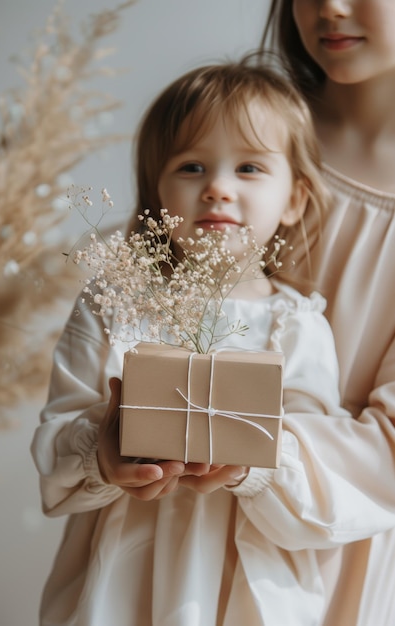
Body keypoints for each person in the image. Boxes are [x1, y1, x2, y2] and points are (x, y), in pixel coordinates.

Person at [31, 55, 352, 626]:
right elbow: (58, 435)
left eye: (249, 168)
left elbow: (318, 461)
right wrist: (103, 455)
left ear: (296, 200)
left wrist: (252, 465)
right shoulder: (115, 304)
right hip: (124, 572)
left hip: (247, 581)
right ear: (156, 193)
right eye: (192, 167)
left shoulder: (298, 326)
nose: (219, 189)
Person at [260, 2, 395, 625]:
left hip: (336, 553)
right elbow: (137, 315)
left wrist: (248, 456)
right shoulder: (239, 125)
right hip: (172, 521)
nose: (331, 6)